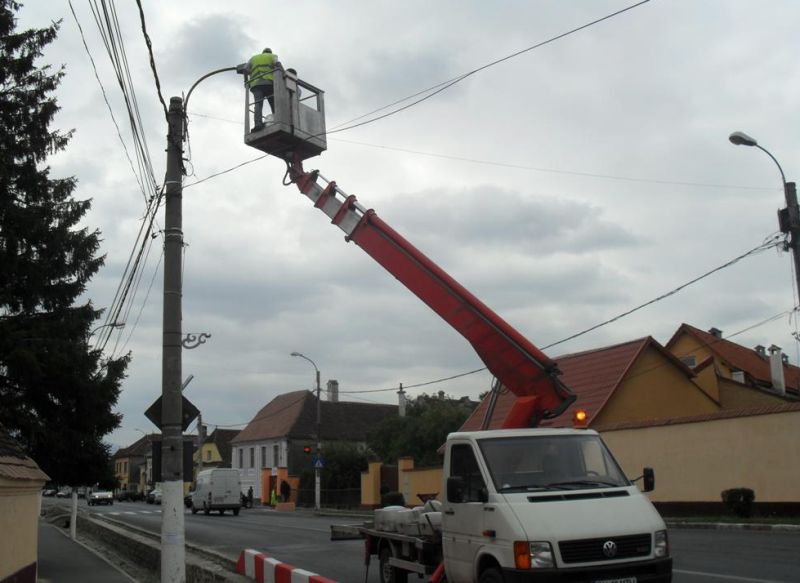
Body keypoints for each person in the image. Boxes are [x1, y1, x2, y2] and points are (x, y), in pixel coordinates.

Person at [238, 48, 281, 131]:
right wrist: (284, 74)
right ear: (269, 52)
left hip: (256, 84)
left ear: (263, 52)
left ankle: (258, 124)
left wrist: (246, 81)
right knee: (273, 104)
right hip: (269, 84)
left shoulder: (253, 58)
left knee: (258, 104)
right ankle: (276, 121)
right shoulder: (272, 56)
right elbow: (278, 64)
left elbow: (245, 69)